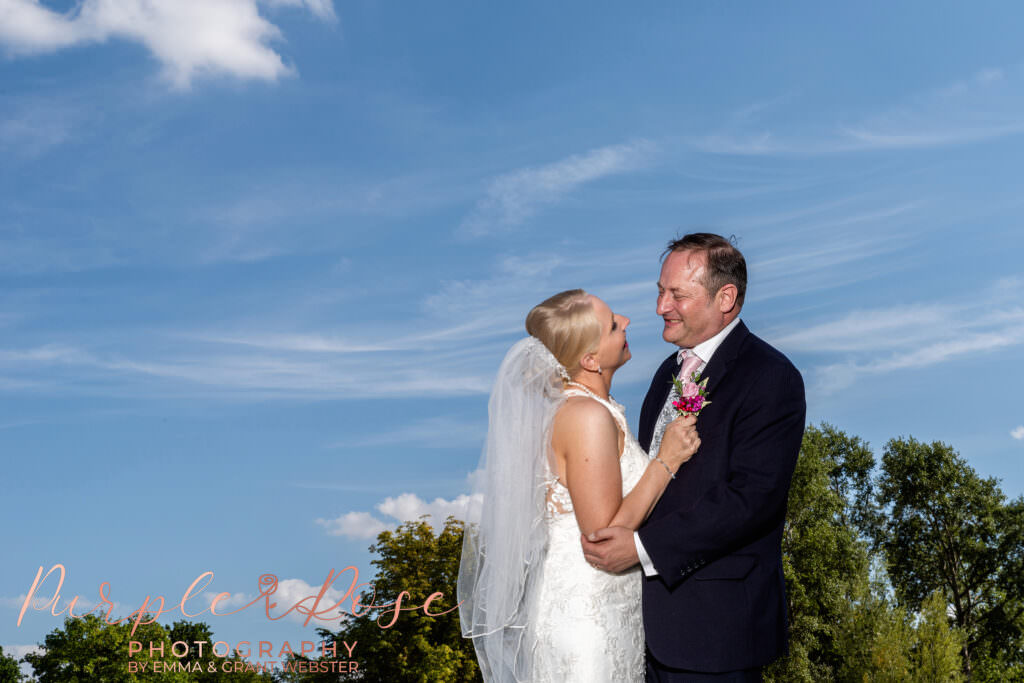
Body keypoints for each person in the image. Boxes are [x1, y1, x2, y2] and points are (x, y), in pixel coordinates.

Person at [582, 234, 806, 682]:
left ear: (726, 298)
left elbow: (751, 500)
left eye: (678, 295)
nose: (661, 306)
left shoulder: (770, 376)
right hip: (641, 629)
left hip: (716, 631)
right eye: (660, 291)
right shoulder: (667, 373)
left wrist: (642, 549)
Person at [458, 289, 700, 683]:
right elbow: (603, 534)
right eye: (611, 325)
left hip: (610, 607)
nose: (626, 321)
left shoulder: (594, 409)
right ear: (590, 360)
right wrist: (666, 461)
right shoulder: (585, 415)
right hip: (586, 617)